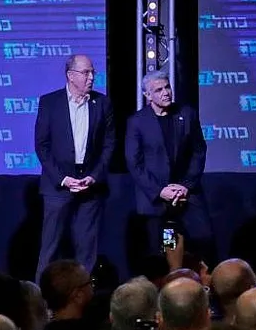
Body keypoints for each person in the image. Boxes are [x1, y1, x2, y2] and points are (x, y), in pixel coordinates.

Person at [34, 54, 115, 282]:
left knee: (87, 249)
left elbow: (109, 144)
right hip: (58, 186)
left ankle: (82, 295)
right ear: (70, 75)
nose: (91, 77)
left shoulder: (102, 103)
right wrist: (63, 179)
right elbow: (42, 145)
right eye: (85, 72)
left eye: (92, 72)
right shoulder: (50, 102)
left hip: (90, 186)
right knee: (50, 247)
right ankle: (41, 297)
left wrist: (94, 176)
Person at [125, 70, 213, 263]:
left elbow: (198, 151)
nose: (166, 92)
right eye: (159, 90)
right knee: (167, 245)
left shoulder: (187, 114)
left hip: (186, 192)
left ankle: (198, 277)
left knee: (203, 238)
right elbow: (134, 162)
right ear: (148, 95)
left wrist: (186, 185)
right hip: (157, 197)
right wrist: (160, 191)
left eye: (167, 87)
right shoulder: (137, 122)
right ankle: (172, 276)